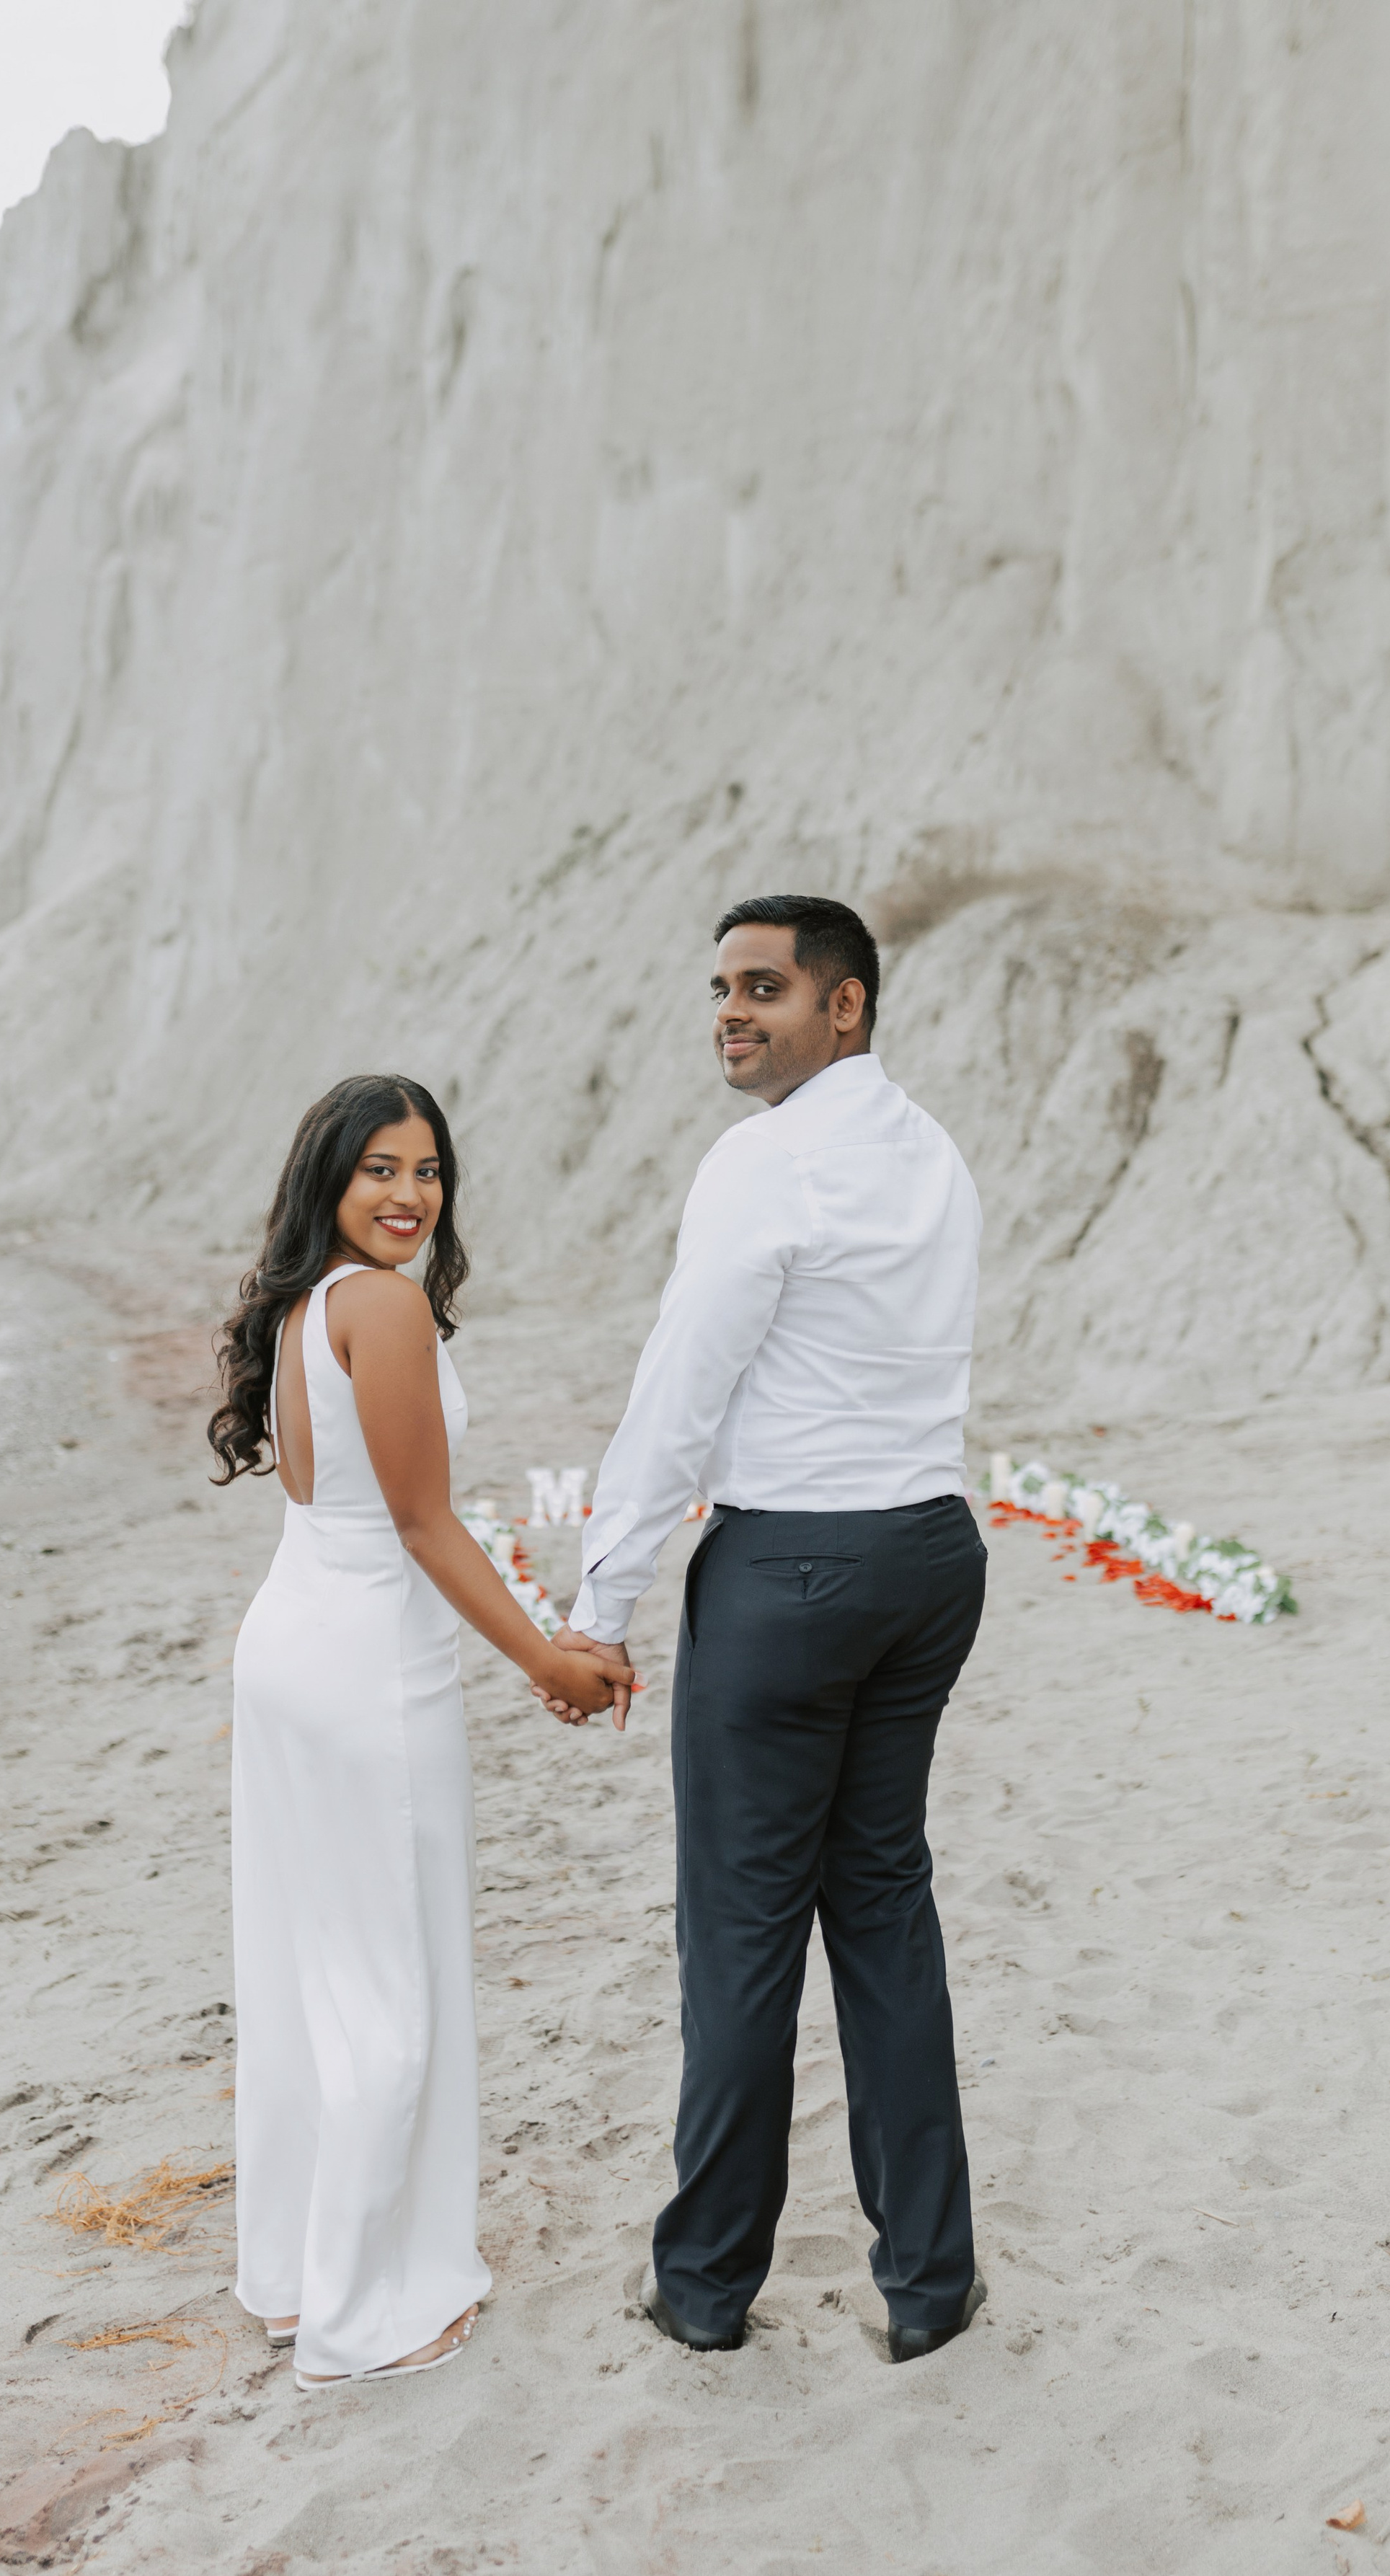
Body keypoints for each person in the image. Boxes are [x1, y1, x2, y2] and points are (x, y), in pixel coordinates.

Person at [549, 896, 988, 2363]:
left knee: (740, 1930)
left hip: (793, 1572)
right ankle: (928, 2280)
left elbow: (683, 1386)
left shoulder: (762, 1162)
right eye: (722, 988)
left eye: (765, 987)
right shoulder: (927, 1151)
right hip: (929, 1555)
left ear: (844, 1004)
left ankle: (707, 2280)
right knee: (879, 1906)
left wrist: (594, 1601)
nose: (732, 1012)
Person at [208, 1074, 631, 2392]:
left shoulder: (306, 1303)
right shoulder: (380, 1304)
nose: (408, 1194)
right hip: (365, 1668)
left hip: (291, 1643)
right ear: (329, 1180)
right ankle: (363, 2312)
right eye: (379, 1168)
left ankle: (292, 2277)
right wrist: (548, 1658)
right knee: (388, 1977)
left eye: (429, 1170)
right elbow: (425, 1525)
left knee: (302, 1971)